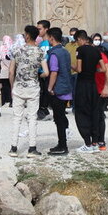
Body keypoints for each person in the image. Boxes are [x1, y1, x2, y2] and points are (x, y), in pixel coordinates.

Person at [8, 25, 47, 157]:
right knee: (32, 117)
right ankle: (32, 147)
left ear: (28, 35)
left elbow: (11, 71)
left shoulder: (17, 50)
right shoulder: (40, 52)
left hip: (19, 86)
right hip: (33, 87)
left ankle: (13, 147)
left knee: (16, 118)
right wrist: (36, 76)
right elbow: (46, 72)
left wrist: (12, 86)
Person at [74, 30, 104, 152]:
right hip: (93, 85)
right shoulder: (97, 50)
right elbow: (102, 68)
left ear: (80, 40)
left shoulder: (80, 50)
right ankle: (95, 142)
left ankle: (87, 143)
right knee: (94, 112)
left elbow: (79, 69)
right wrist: (92, 71)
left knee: (81, 112)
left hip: (82, 84)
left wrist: (72, 67)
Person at [46, 27, 73, 155]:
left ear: (51, 38)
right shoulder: (65, 51)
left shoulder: (54, 54)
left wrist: (50, 88)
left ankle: (62, 145)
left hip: (58, 89)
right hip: (66, 87)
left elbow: (54, 72)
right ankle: (61, 143)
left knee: (59, 118)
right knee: (60, 117)